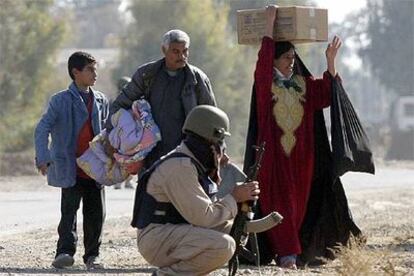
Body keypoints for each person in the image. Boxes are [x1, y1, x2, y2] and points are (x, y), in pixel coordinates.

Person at [243, 5, 362, 269]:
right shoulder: (266, 87)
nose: (291, 61)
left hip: (302, 161)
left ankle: (292, 252)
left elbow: (328, 93)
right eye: (286, 56)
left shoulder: (303, 85)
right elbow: (262, 64)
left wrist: (330, 61)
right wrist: (270, 24)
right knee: (280, 204)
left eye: (293, 57)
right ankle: (287, 254)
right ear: (274, 59)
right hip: (273, 159)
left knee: (297, 207)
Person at [131, 105, 260, 275]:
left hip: (172, 231)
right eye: (220, 143)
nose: (223, 151)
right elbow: (204, 217)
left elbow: (207, 213)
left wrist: (244, 204)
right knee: (224, 245)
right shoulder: (180, 167)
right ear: (209, 141)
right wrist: (234, 198)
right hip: (157, 238)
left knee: (234, 229)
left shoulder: (191, 164)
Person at [34, 51, 109, 269]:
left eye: (95, 69)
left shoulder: (101, 100)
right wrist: (43, 156)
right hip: (71, 167)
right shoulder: (60, 101)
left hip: (95, 168)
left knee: (96, 213)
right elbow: (42, 128)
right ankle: (65, 252)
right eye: (90, 70)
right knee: (69, 212)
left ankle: (93, 256)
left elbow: (108, 132)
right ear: (76, 72)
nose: (95, 74)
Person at [106, 29, 216, 172]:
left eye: (185, 51)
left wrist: (218, 149)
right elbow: (120, 104)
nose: (181, 56)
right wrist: (111, 135)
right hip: (151, 154)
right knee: (149, 192)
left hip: (186, 154)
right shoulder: (146, 75)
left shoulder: (197, 79)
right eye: (175, 51)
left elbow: (212, 117)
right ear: (164, 50)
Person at [113, 76, 135, 189]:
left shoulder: (133, 100)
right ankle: (119, 180)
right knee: (119, 156)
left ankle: (128, 180)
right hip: (119, 133)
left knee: (131, 156)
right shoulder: (116, 101)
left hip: (131, 133)